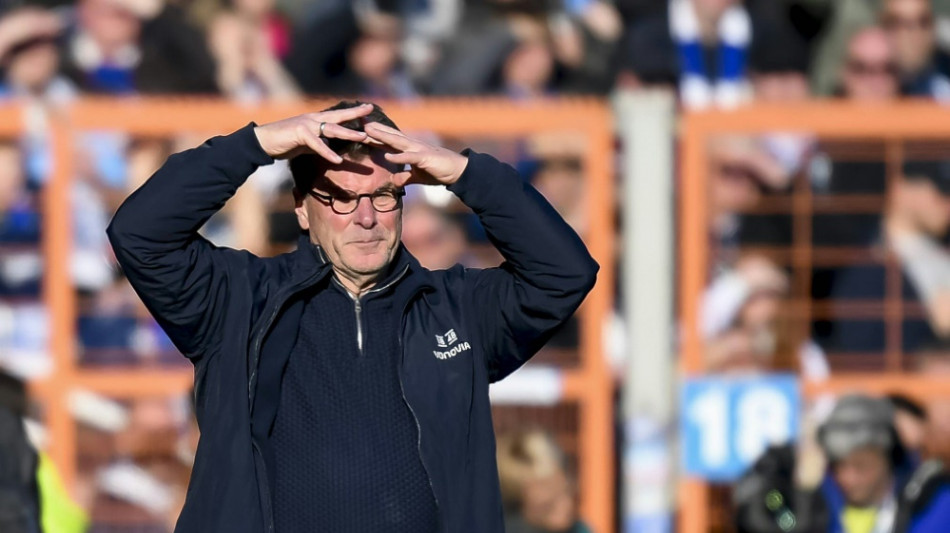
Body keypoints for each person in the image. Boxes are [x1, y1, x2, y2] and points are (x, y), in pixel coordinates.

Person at [106, 101, 598, 532]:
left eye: (382, 196)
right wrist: (256, 145)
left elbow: (565, 273)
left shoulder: (457, 307)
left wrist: (467, 176)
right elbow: (140, 233)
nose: (365, 217)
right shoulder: (237, 299)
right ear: (302, 209)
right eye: (340, 198)